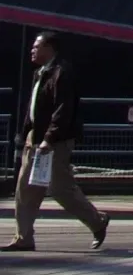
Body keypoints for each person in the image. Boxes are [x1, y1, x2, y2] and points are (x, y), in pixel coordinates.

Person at [6, 33, 108, 253]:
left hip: (55, 141)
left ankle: (97, 221)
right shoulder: (40, 73)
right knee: (25, 189)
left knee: (60, 189)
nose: (32, 50)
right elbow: (33, 108)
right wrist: (24, 134)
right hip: (34, 138)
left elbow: (63, 110)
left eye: (36, 46)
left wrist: (49, 139)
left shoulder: (62, 72)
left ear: (50, 48)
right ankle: (23, 238)